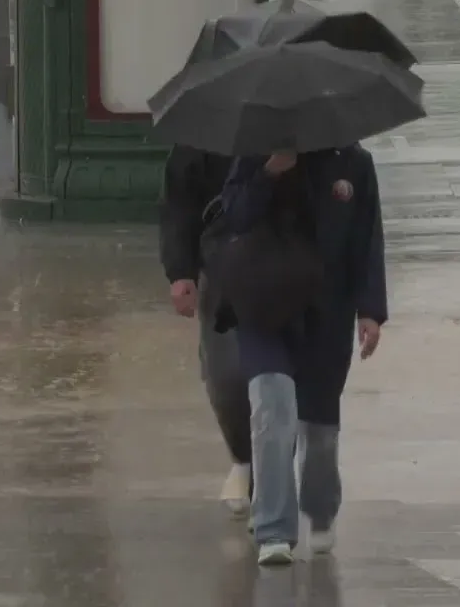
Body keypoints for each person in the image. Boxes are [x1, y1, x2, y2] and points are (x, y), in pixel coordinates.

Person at [217, 144, 387, 567]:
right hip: (264, 306)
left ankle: (321, 509)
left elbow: (368, 239)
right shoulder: (255, 152)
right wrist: (270, 172)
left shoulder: (354, 163)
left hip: (328, 313)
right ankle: (273, 528)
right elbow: (234, 216)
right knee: (272, 408)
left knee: (320, 426)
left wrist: (370, 310)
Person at [158, 143, 253, 516]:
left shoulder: (304, 129)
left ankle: (276, 472)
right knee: (226, 373)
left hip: (287, 266)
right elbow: (178, 206)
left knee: (281, 377)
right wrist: (180, 272)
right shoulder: (200, 138)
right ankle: (243, 457)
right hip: (221, 266)